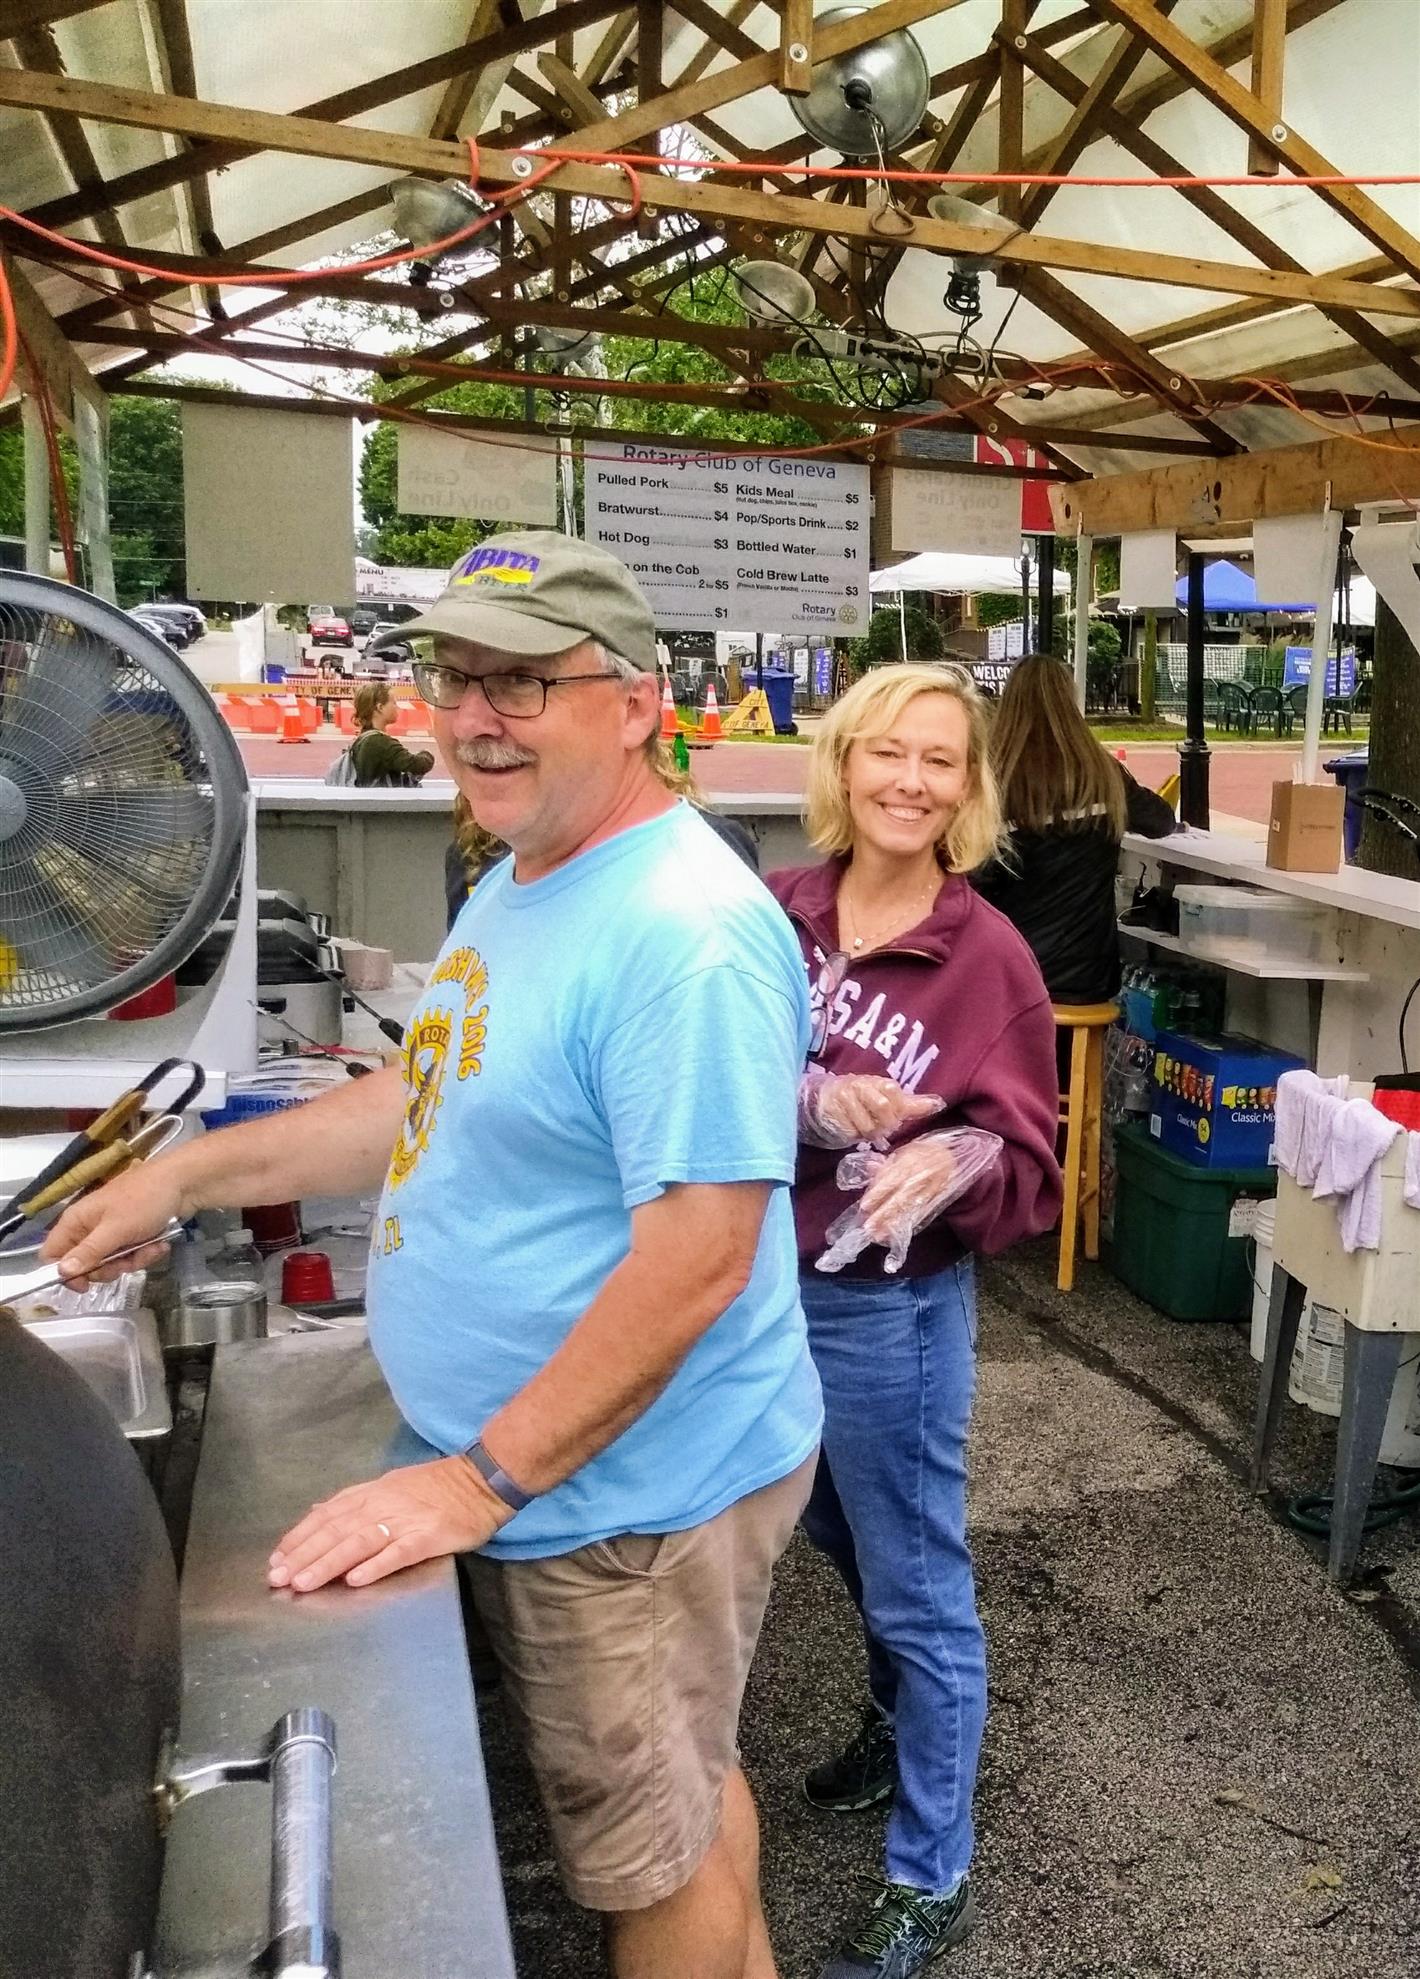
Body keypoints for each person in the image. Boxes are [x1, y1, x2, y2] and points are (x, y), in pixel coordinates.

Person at [46, 529, 822, 1979]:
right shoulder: (532, 877)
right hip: (569, 1475)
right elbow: (422, 1095)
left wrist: (477, 1478)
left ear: (641, 702)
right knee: (684, 1784)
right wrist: (184, 1172)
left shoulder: (683, 931)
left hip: (625, 1503)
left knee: (646, 1860)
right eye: (456, 675)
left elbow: (701, 1257)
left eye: (525, 681)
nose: (475, 715)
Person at [766, 662, 1062, 1979]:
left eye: (939, 759)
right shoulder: (778, 913)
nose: (909, 780)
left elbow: (1034, 1161)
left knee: (919, 1575)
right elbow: (698, 1067)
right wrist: (810, 1097)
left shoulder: (988, 956)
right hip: (753, 1283)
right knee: (823, 1522)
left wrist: (963, 1162)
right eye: (886, 751)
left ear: (969, 787)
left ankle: (926, 1869)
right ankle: (898, 1708)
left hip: (889, 1309)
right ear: (841, 764)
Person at [974, 653, 1176, 1007]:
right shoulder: (1103, 773)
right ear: (1070, 701)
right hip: (1089, 976)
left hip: (1004, 970)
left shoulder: (990, 777)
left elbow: (971, 877)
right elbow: (1160, 821)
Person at [347, 679, 435, 786]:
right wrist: (427, 755)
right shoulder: (380, 742)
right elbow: (415, 764)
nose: (397, 707)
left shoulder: (363, 738)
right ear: (380, 707)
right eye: (393, 703)